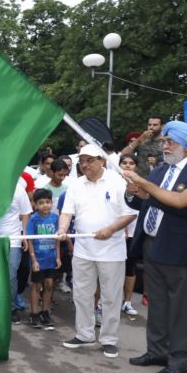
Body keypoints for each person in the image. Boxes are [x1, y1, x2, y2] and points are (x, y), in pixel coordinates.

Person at [124, 124, 187, 373]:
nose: (165, 146)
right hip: (154, 244)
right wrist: (134, 192)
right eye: (164, 141)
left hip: (183, 250)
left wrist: (148, 189)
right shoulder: (161, 170)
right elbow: (148, 200)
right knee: (158, 303)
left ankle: (181, 361)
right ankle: (157, 351)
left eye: (171, 141)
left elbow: (183, 206)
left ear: (185, 145)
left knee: (182, 308)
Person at [58, 144, 137, 359]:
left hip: (112, 250)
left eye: (90, 160)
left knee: (111, 297)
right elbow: (66, 212)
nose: (85, 165)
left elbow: (130, 213)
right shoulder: (76, 184)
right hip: (83, 249)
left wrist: (110, 229)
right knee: (82, 294)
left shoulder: (117, 181)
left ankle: (109, 340)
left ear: (101, 161)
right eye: (82, 161)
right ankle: (84, 335)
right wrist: (62, 229)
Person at [0, 178, 33, 324]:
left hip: (12, 238)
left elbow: (26, 214)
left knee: (10, 275)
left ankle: (10, 308)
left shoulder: (18, 189)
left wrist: (24, 235)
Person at [26, 188, 61, 330]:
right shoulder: (33, 219)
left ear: (51, 203)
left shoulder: (55, 218)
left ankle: (45, 312)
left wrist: (58, 257)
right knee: (36, 286)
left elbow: (57, 239)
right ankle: (34, 314)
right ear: (35, 205)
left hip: (51, 258)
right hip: (38, 260)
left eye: (47, 202)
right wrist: (34, 260)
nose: (45, 205)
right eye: (41, 203)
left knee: (49, 285)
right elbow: (29, 240)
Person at [118, 154, 141, 317]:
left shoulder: (141, 183)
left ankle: (127, 302)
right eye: (124, 163)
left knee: (130, 268)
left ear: (136, 166)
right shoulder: (113, 182)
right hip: (117, 232)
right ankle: (104, 302)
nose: (128, 165)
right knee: (114, 269)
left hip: (134, 233)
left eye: (131, 163)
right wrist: (122, 228)